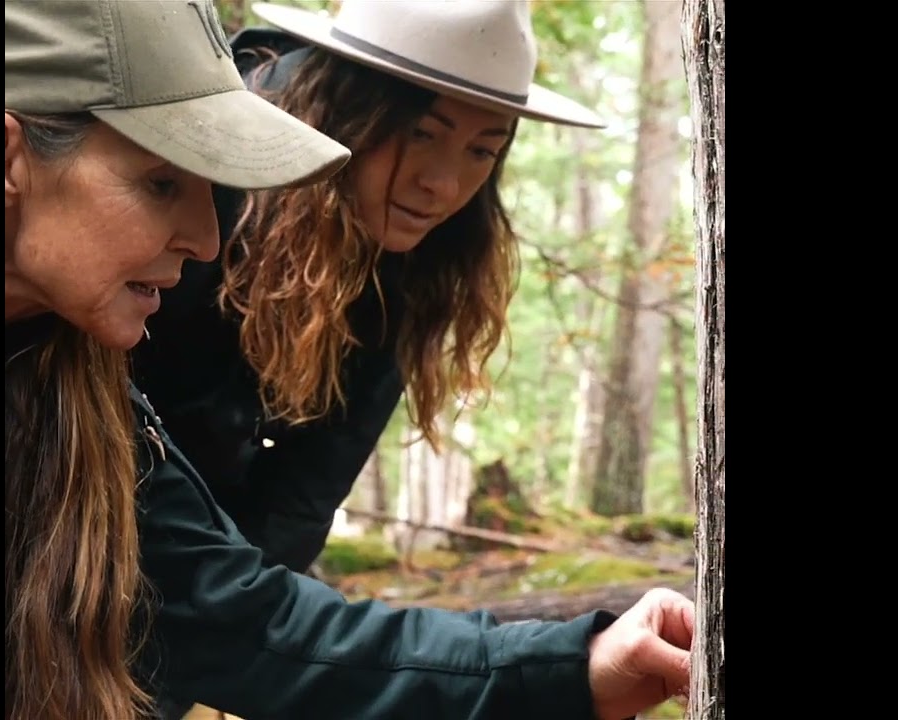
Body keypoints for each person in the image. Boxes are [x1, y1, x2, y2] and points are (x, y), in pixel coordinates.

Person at [6, 2, 695, 720]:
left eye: (482, 150)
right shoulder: (102, 296)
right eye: (160, 184)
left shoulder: (64, 370)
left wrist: (570, 667)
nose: (441, 183)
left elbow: (247, 581)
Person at [133, 0, 610, 578]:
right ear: (345, 106)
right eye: (421, 133)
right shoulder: (199, 170)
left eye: (482, 150)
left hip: (203, 550)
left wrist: (242, 605)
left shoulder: (417, 265)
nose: (443, 184)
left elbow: (302, 499)